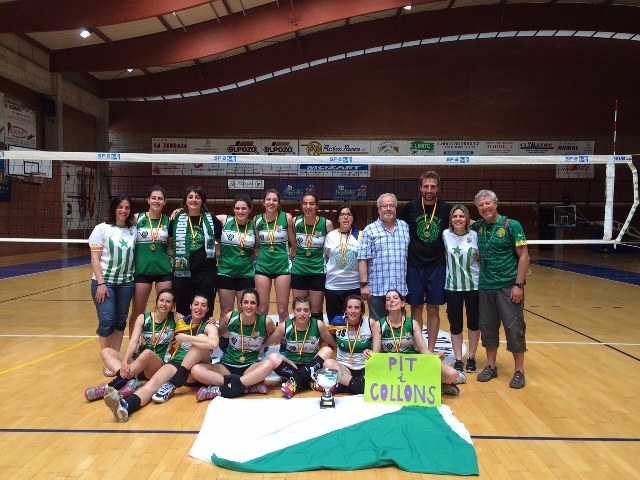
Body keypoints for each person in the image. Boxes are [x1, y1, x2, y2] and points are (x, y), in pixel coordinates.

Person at [103, 294, 217, 422]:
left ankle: (117, 383)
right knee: (152, 384)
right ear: (190, 306)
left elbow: (213, 343)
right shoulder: (180, 322)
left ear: (208, 309)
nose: (199, 308)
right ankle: (126, 406)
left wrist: (186, 338)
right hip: (176, 363)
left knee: (201, 340)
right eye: (196, 304)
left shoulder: (209, 326)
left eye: (203, 305)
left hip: (195, 366)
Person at [471, 189, 529, 389]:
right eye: (480, 205)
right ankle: (490, 366)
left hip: (508, 286)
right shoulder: (478, 227)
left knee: (514, 329)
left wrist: (518, 284)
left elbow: (524, 256)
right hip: (485, 286)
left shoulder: (512, 225)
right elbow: (460, 220)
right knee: (488, 328)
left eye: (488, 203)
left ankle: (519, 371)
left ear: (496, 203)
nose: (485, 207)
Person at [84, 288, 179, 401]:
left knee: (147, 353)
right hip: (138, 364)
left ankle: (112, 386)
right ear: (157, 301)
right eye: (161, 300)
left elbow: (195, 324)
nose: (164, 304)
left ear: (173, 305)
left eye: (168, 302)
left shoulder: (177, 318)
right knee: (105, 351)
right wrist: (124, 362)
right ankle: (131, 381)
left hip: (157, 366)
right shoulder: (143, 318)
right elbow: (133, 342)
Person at [399, 171, 452, 352]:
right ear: (420, 188)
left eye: (433, 186)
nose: (429, 190)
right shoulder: (410, 207)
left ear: (438, 188)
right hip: (414, 265)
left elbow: (464, 224)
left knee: (433, 309)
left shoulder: (446, 209)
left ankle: (430, 350)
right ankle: (418, 347)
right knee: (416, 308)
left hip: (437, 265)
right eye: (426, 186)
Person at [193, 288, 277, 401]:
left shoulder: (265, 321)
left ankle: (220, 390)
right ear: (241, 305)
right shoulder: (231, 317)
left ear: (257, 306)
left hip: (250, 367)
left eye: (253, 303)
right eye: (246, 302)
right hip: (228, 365)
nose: (249, 306)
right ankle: (247, 387)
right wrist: (211, 326)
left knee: (269, 364)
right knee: (196, 369)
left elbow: (275, 335)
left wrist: (264, 343)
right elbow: (218, 333)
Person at [376, 289, 462, 395]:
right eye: (388, 299)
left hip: (412, 365)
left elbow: (424, 350)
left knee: (452, 374)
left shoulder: (412, 323)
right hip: (390, 367)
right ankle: (434, 383)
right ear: (386, 306)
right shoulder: (379, 324)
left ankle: (440, 384)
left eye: (395, 298)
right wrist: (368, 354)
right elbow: (375, 354)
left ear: (402, 303)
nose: (392, 301)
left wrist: (436, 357)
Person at [89, 194, 136, 376]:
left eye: (127, 208)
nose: (123, 210)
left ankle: (115, 357)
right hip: (105, 282)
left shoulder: (133, 230)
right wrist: (100, 283)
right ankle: (106, 358)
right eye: (120, 207)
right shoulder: (102, 229)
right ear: (114, 208)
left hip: (126, 282)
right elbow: (95, 258)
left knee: (120, 320)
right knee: (107, 319)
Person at [262, 295, 336, 398]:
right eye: (298, 310)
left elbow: (334, 343)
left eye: (306, 310)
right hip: (292, 366)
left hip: (312, 366)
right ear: (293, 310)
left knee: (327, 350)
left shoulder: (318, 325)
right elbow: (265, 343)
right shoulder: (285, 326)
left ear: (310, 311)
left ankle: (295, 382)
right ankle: (309, 383)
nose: (302, 314)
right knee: (272, 357)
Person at [127, 185, 173, 339]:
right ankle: (134, 347)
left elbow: (171, 244)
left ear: (165, 202)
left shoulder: (169, 221)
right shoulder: (136, 218)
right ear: (148, 200)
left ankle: (162, 344)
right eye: (153, 198)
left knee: (165, 310)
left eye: (160, 198)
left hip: (164, 270)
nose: (156, 201)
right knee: (138, 312)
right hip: (142, 270)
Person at [171, 185, 222, 316]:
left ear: (202, 201)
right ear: (185, 200)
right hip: (182, 272)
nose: (194, 200)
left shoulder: (211, 219)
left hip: (206, 272)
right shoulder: (176, 219)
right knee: (182, 307)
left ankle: (203, 335)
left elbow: (222, 240)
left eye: (197, 197)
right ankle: (184, 335)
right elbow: (168, 242)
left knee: (204, 307)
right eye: (190, 197)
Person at [357, 193, 410, 320]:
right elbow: (362, 258)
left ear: (395, 208)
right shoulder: (369, 230)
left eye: (391, 206)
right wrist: (364, 285)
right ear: (379, 209)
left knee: (399, 326)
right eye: (384, 206)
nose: (388, 209)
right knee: (377, 326)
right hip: (376, 288)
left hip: (399, 287)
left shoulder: (405, 227)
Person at [442, 204, 480, 373]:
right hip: (452, 287)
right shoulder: (445, 235)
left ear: (467, 219)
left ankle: (471, 357)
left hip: (474, 286)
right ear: (451, 219)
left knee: (474, 323)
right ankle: (458, 359)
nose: (458, 219)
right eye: (455, 216)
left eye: (461, 216)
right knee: (455, 325)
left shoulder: (475, 235)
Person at [322, 295, 381, 394]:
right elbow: (326, 337)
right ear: (345, 310)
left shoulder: (370, 323)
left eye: (357, 307)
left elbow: (376, 352)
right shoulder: (337, 322)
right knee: (328, 363)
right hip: (344, 368)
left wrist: (371, 352)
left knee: (380, 366)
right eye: (350, 307)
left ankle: (347, 385)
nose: (353, 311)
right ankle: (356, 385)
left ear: (362, 311)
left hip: (364, 369)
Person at [253, 189, 296, 322]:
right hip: (263, 267)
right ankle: (261, 340)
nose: (271, 202)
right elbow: (256, 245)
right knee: (261, 310)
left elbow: (294, 243)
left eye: (274, 200)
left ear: (278, 203)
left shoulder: (286, 218)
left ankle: (284, 340)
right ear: (263, 202)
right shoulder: (257, 219)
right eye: (268, 200)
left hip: (282, 267)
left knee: (283, 310)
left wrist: (291, 255)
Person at [291, 193, 334, 321]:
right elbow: (293, 244)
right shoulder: (295, 221)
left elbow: (331, 249)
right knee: (300, 309)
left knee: (316, 311)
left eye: (311, 204)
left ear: (317, 206)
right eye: (305, 203)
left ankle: (317, 340)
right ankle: (299, 339)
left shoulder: (326, 224)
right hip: (299, 270)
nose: (308, 206)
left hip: (318, 271)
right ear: (301, 206)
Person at [216, 194, 256, 321]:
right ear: (233, 209)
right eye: (237, 208)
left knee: (245, 311)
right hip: (225, 273)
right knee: (226, 311)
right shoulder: (224, 220)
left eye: (244, 208)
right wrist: (181, 210)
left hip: (246, 274)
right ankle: (223, 340)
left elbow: (258, 245)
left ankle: (241, 340)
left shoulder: (254, 224)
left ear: (249, 210)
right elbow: (202, 216)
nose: (240, 211)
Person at [324, 204, 362, 322]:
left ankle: (352, 341)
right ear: (338, 218)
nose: (346, 217)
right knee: (335, 322)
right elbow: (326, 257)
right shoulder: (331, 235)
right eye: (342, 215)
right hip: (333, 286)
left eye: (349, 214)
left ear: (353, 218)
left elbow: (363, 260)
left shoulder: (361, 235)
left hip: (354, 286)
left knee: (353, 322)